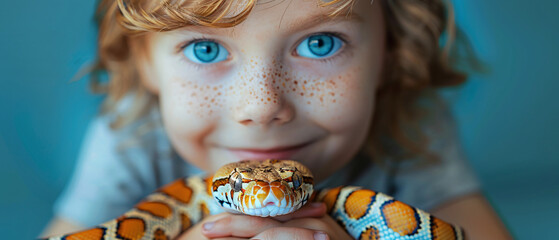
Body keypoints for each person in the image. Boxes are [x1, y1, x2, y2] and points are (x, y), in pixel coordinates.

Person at [42, 0, 512, 239]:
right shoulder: (130, 139)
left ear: (391, 54)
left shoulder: (413, 131)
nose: (261, 106)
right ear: (142, 62)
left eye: (320, 43)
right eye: (205, 49)